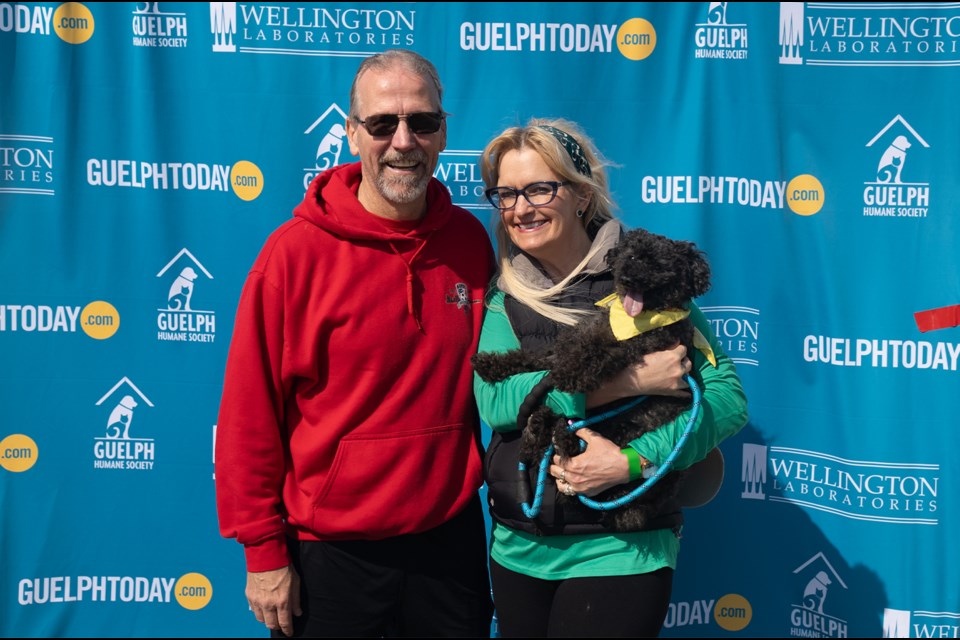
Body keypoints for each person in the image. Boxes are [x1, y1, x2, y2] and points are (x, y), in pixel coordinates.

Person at [215, 49, 495, 638]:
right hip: (330, 555)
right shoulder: (292, 257)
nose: (403, 141)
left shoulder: (470, 242)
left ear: (443, 132)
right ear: (350, 133)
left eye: (421, 122)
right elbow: (249, 417)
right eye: (382, 124)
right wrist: (264, 555)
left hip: (449, 546)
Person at [474, 118, 748, 638]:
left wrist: (632, 460)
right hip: (519, 547)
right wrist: (624, 384)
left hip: (622, 550)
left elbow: (727, 398)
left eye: (538, 188)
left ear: (580, 195)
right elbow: (495, 401)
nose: (520, 208)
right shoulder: (503, 294)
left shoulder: (648, 277)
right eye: (506, 194)